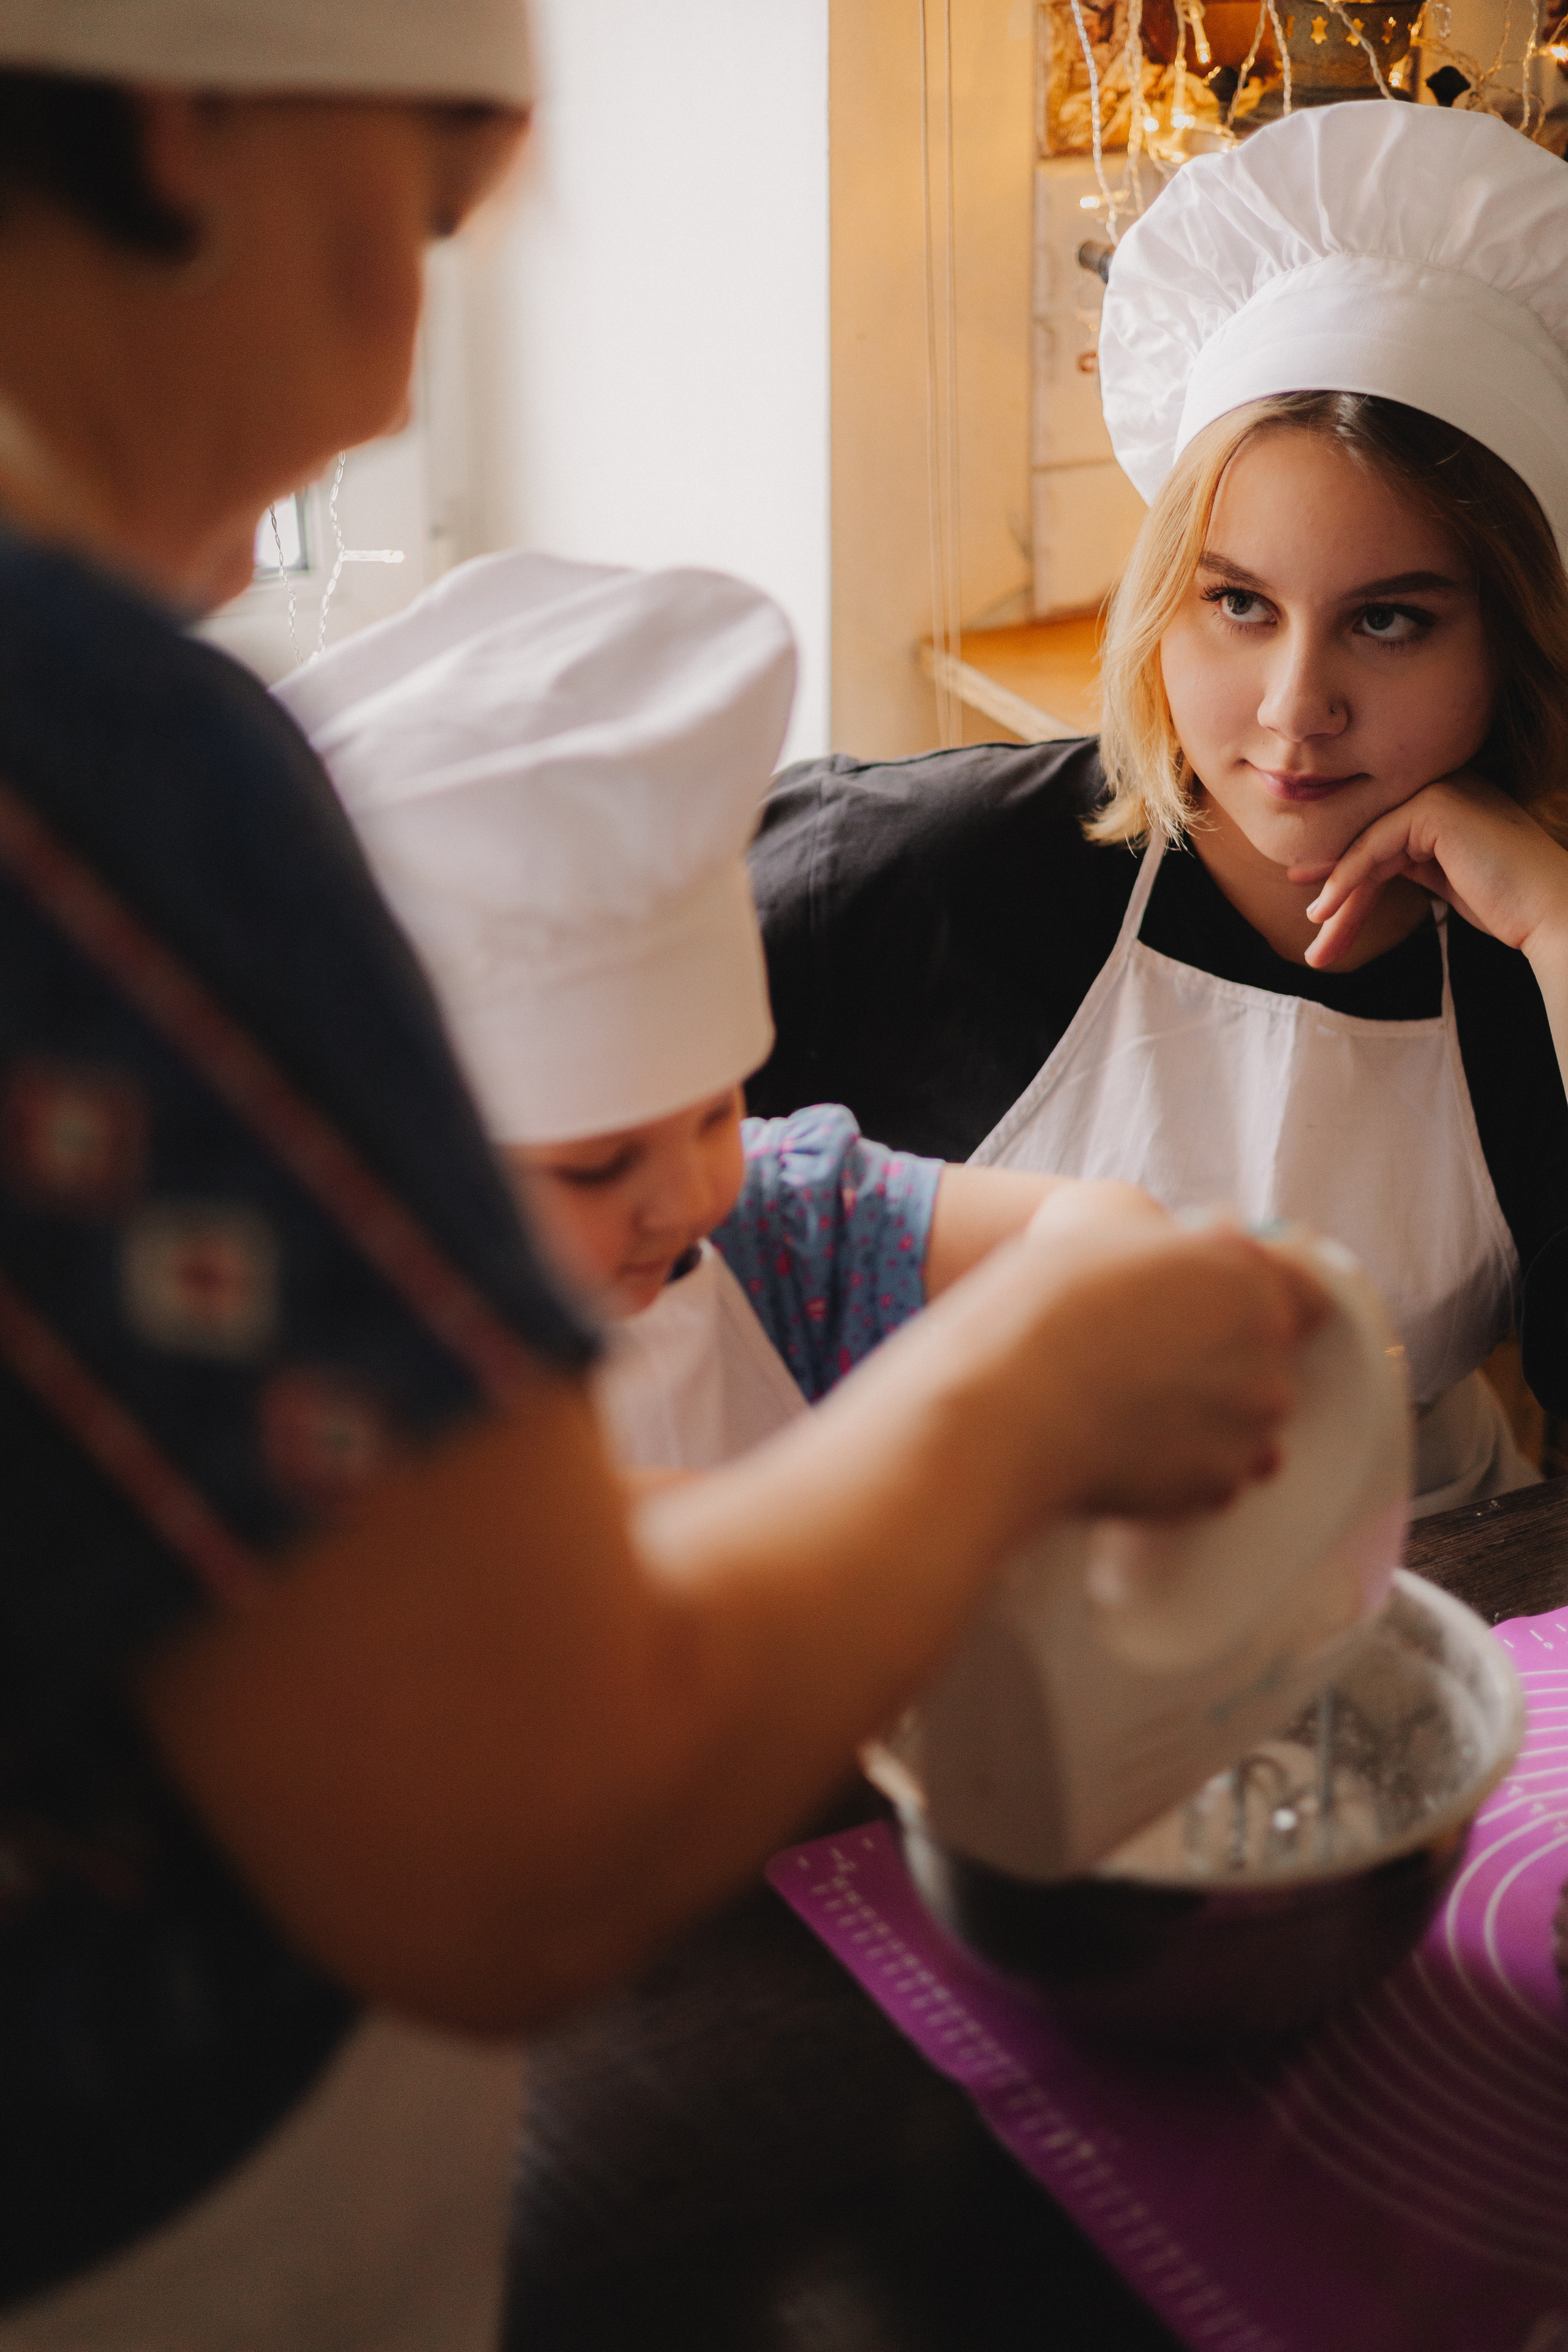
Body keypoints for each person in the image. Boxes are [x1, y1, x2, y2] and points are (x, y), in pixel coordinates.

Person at [0, 2, 1323, 2337]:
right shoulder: (88, 763)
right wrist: (1027, 1406)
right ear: (196, 115)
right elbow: (508, 1812)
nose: (394, 382)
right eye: (415, 215)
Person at [750, 97, 1568, 1520]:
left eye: (1387, 622)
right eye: (1236, 605)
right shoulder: (916, 875)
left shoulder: (1525, 974)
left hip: (1390, 1631)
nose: (1290, 708)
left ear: (1506, 642)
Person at [281, 548, 1126, 1471]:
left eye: (718, 1111)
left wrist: (1163, 1283)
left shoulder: (779, 1234)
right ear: (411, 1150)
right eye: (598, 1167)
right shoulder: (340, 1382)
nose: (688, 1198)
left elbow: (1087, 1231)